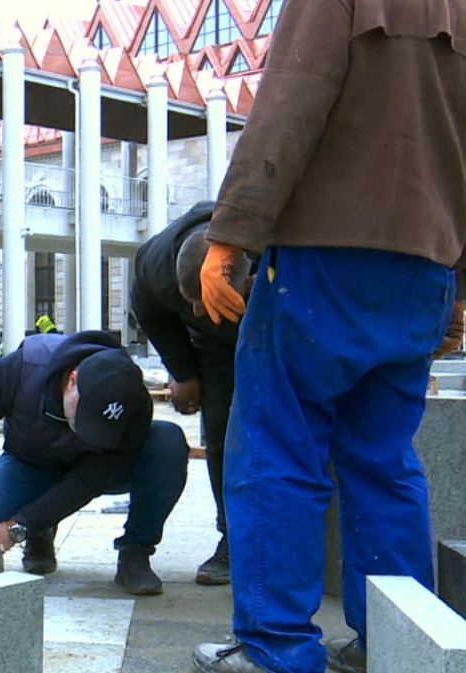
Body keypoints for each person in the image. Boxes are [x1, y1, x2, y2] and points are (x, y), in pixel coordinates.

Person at [192, 2, 466, 672]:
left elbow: (293, 93)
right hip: (423, 262)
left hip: (323, 256)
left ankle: (276, 649)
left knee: (277, 447)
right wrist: (458, 284)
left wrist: (230, 233)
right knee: (384, 459)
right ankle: (398, 646)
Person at [0, 330, 190, 596]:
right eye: (85, 418)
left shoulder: (133, 401)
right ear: (72, 380)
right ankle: (40, 533)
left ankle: (135, 552)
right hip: (31, 464)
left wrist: (16, 530)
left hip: (93, 469)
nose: (85, 433)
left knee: (167, 443)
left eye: (99, 428)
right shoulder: (22, 370)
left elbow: (86, 484)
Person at [130, 201, 252, 587]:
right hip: (213, 349)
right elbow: (152, 316)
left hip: (273, 328)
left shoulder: (270, 242)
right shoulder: (153, 265)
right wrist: (184, 373)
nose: (200, 310)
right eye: (191, 302)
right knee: (220, 435)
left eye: (210, 300)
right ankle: (232, 541)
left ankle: (290, 541)